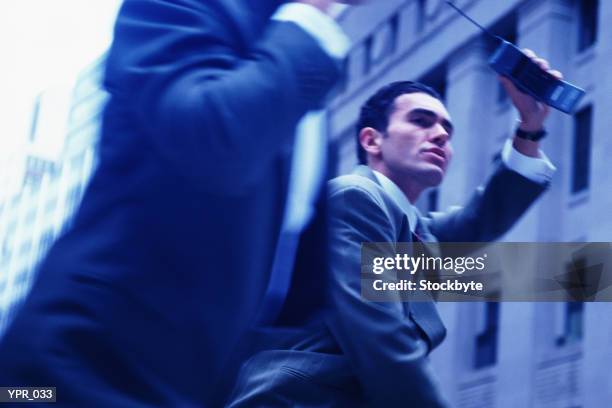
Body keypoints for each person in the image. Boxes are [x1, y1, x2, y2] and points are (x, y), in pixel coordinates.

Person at [0, 0, 357, 406]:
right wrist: (313, 14)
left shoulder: (300, 64)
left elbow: (304, 294)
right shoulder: (183, 9)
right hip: (66, 376)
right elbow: (215, 142)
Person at [227, 52, 561, 406]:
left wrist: (530, 127)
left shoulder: (413, 229)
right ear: (372, 141)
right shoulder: (354, 199)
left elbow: (481, 218)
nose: (439, 136)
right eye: (421, 121)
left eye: (447, 130)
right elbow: (381, 337)